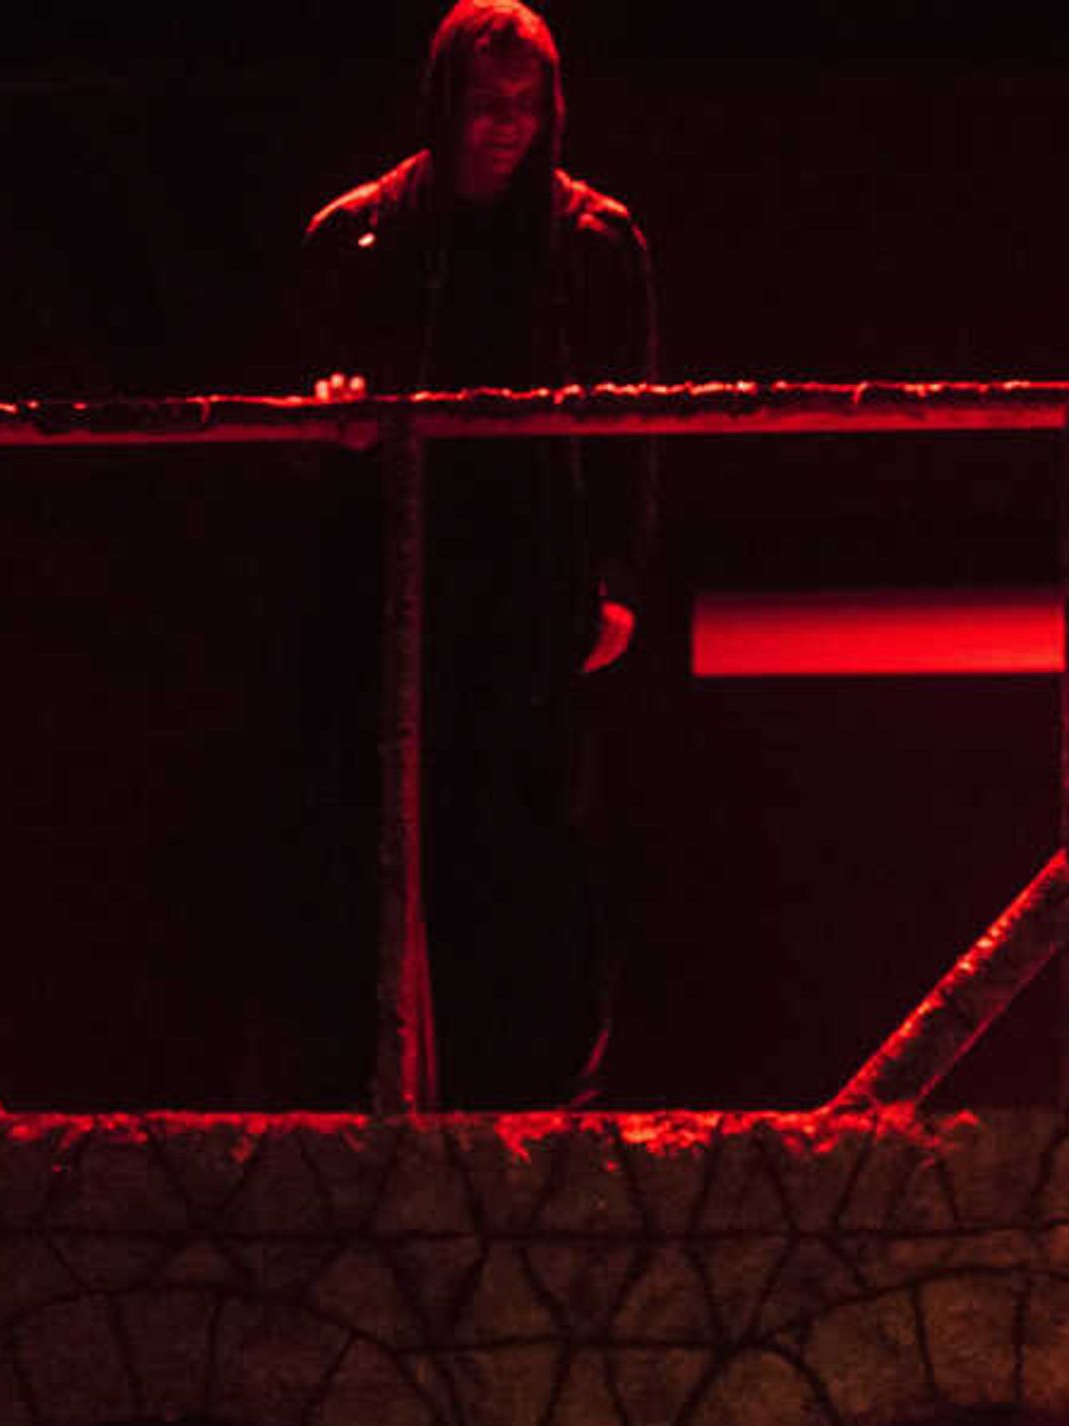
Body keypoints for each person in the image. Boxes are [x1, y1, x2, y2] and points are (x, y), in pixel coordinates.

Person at [299, 0, 653, 1106]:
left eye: (525, 101)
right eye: (484, 101)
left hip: (535, 572)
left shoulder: (592, 243)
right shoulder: (360, 235)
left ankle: (543, 1089)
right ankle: (390, 1083)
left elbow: (633, 423)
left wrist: (618, 580)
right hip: (399, 572)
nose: (505, 124)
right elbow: (317, 402)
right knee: (396, 820)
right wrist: (343, 421)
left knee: (538, 827)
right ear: (441, 100)